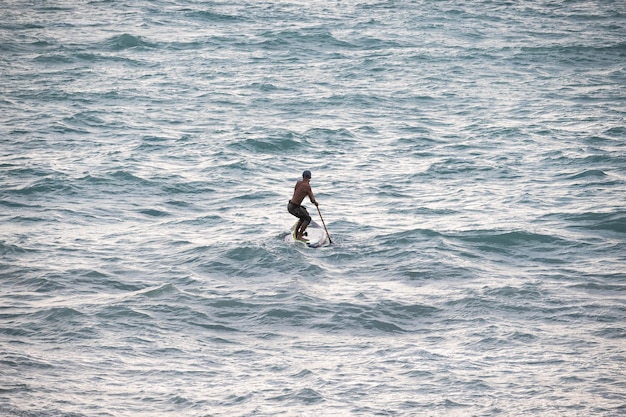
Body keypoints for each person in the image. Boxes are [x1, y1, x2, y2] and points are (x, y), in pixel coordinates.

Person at [287, 170, 318, 241]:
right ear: (310, 177)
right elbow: (312, 200)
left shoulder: (298, 183)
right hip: (294, 207)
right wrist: (316, 203)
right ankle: (299, 236)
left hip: (290, 205)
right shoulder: (307, 186)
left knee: (303, 216)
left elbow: (297, 193)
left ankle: (297, 233)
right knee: (308, 219)